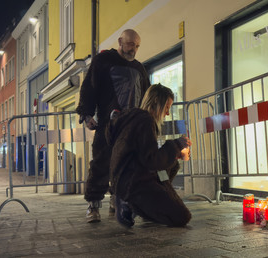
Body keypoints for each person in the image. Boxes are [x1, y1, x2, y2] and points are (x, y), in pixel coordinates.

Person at [76, 29, 150, 223]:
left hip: (131, 127)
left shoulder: (140, 69)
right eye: (130, 44)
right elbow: (89, 87)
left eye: (137, 46)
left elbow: (146, 97)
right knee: (101, 163)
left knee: (126, 166)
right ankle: (93, 206)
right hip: (107, 125)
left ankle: (116, 201)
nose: (133, 49)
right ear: (120, 41)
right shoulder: (103, 61)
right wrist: (86, 114)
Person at [106, 83, 192, 227]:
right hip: (133, 182)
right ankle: (130, 203)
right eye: (166, 107)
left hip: (126, 177)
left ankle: (142, 205)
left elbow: (144, 155)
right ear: (157, 102)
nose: (167, 113)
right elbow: (152, 161)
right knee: (182, 217)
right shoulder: (145, 120)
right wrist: (176, 145)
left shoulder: (136, 118)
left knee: (173, 165)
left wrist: (173, 153)